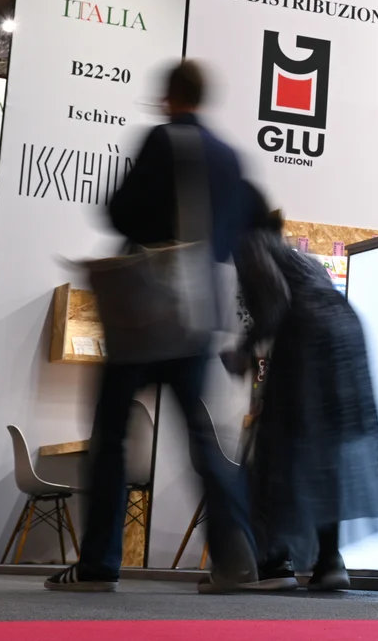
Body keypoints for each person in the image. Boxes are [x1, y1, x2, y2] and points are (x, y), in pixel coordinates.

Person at [46, 60, 268, 593]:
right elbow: (246, 224)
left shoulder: (163, 142)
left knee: (111, 433)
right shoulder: (229, 156)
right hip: (197, 312)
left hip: (145, 311)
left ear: (170, 97)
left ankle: (99, 562)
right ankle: (238, 556)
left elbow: (121, 213)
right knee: (200, 435)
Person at [227, 187, 378, 590]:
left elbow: (273, 306)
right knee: (326, 450)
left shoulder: (249, 244)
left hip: (306, 336)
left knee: (281, 445)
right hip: (346, 333)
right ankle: (329, 561)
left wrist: (243, 350)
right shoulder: (294, 253)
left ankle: (275, 562)